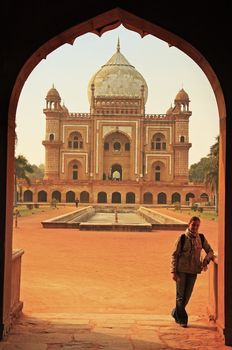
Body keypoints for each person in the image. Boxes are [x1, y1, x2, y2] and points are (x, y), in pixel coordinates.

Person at [171, 216, 215, 328]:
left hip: (193, 270)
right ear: (189, 224)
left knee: (187, 295)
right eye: (193, 224)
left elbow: (210, 251)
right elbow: (174, 255)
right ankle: (183, 319)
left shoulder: (201, 238)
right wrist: (173, 272)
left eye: (197, 225)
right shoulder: (182, 237)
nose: (195, 227)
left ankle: (175, 312)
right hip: (181, 270)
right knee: (180, 296)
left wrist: (206, 259)